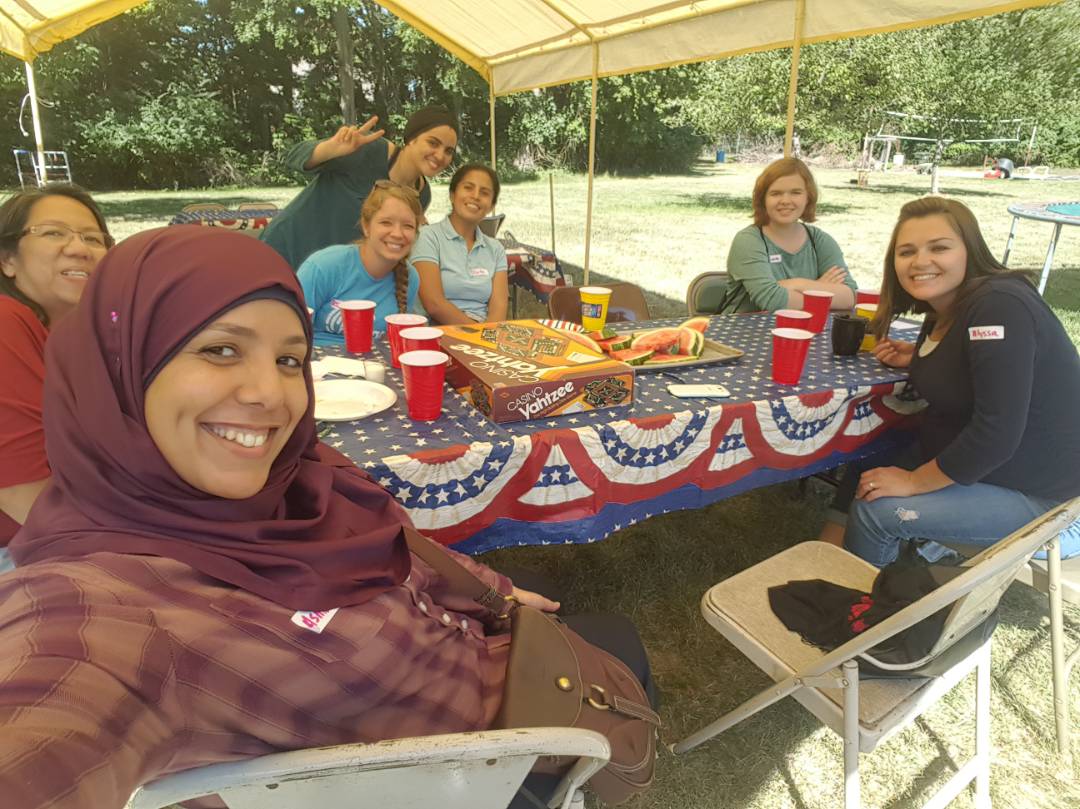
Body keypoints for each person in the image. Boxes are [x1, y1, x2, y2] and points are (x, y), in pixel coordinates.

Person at [0, 227, 654, 809]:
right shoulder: (104, 606)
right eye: (222, 350)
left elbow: (400, 549)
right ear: (118, 370)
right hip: (482, 764)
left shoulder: (294, 477)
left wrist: (497, 591)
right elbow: (46, 721)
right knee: (625, 644)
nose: (269, 394)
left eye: (289, 358)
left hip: (483, 646)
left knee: (598, 625)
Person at [820, 197, 1080, 565]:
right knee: (871, 459)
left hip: (1049, 501)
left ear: (969, 250)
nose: (920, 261)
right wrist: (921, 355)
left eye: (939, 247)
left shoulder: (999, 305)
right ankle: (826, 561)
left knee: (877, 511)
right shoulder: (947, 308)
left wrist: (913, 483)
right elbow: (975, 365)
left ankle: (871, 613)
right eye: (906, 251)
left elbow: (997, 432)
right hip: (996, 474)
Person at [0, 184, 112, 572]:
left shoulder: (83, 337)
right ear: (7, 261)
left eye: (93, 238)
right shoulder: (5, 323)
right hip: (25, 547)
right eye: (53, 233)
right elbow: (23, 495)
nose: (80, 248)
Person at [260, 106, 459, 269]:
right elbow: (293, 157)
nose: (440, 156)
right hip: (284, 254)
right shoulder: (370, 150)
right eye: (433, 143)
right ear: (411, 138)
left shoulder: (421, 195)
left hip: (332, 276)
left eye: (448, 151)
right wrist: (329, 149)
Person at [720, 157, 856, 314]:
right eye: (775, 193)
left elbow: (850, 296)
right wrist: (820, 289)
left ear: (808, 197)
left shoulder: (820, 241)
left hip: (804, 333)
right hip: (742, 335)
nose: (785, 200)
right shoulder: (748, 241)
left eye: (796, 192)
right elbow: (772, 300)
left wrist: (796, 284)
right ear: (763, 199)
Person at [297, 182, 422, 346]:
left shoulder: (410, 278)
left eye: (408, 226)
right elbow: (286, 332)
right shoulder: (325, 266)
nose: (397, 234)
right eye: (386, 222)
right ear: (366, 226)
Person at [411, 163, 508, 324]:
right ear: (452, 195)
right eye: (468, 188)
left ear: (491, 206)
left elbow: (499, 306)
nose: (475, 196)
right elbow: (434, 304)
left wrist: (488, 338)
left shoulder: (495, 249)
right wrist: (476, 335)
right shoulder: (428, 237)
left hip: (483, 335)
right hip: (437, 333)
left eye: (484, 193)